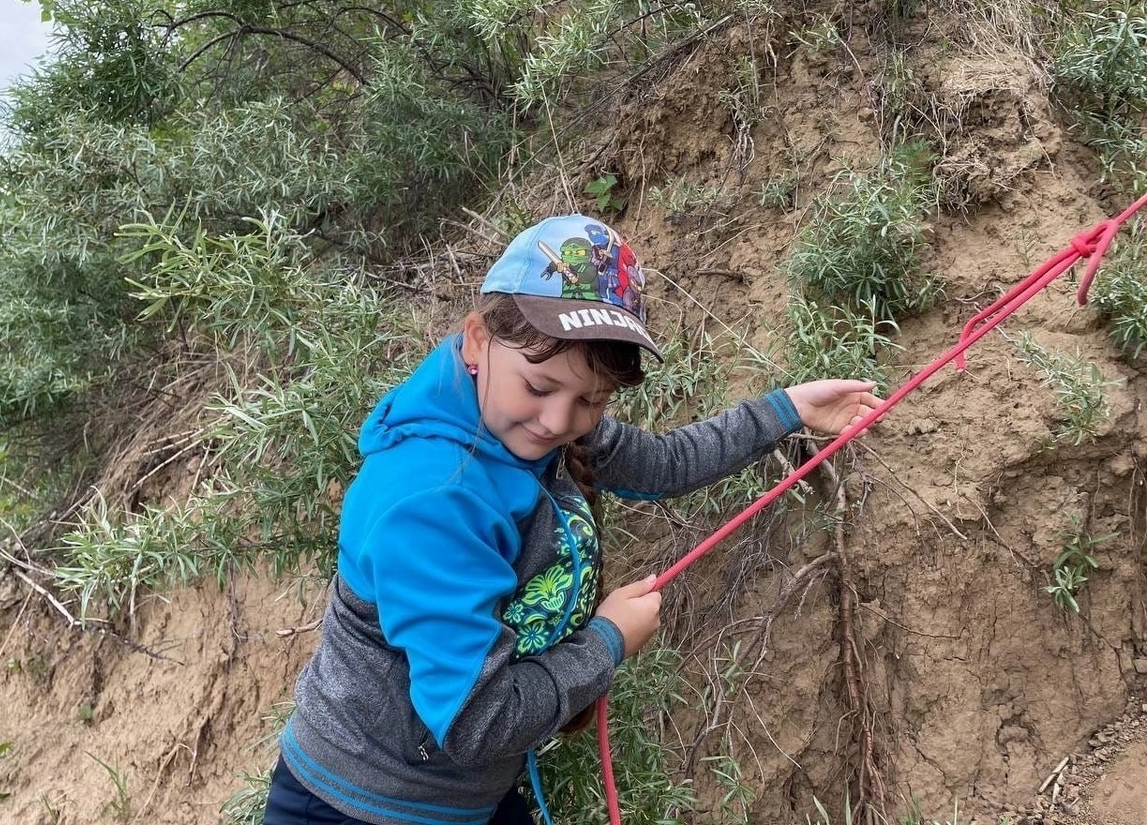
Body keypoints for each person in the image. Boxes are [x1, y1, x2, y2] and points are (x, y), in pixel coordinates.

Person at [264, 213, 882, 825]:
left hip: (454, 795)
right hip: (363, 804)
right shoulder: (433, 501)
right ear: (478, 341)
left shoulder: (531, 428)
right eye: (539, 387)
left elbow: (663, 463)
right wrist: (607, 643)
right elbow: (477, 721)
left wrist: (790, 408)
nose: (559, 421)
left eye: (590, 400)